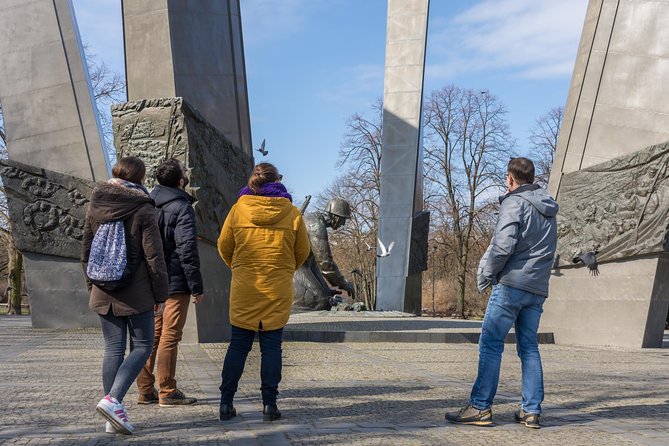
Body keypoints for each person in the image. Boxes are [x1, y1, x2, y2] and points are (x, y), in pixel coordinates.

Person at [445, 157, 558, 429]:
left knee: (491, 343)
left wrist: (488, 274)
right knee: (529, 348)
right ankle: (531, 411)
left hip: (511, 286)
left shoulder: (514, 203)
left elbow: (503, 246)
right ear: (532, 178)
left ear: (510, 178)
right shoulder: (549, 208)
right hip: (537, 289)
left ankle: (480, 407)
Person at [81, 156, 168, 435]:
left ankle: (111, 417)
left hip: (102, 289)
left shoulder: (96, 204)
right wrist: (161, 294)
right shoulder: (143, 207)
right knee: (143, 345)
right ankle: (113, 400)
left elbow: (85, 250)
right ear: (140, 178)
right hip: (136, 293)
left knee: (112, 349)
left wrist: (92, 285)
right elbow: (154, 256)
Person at [217, 163, 310, 422]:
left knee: (238, 345)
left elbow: (224, 246)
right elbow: (302, 251)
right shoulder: (291, 213)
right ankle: (270, 405)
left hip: (246, 286)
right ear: (277, 181)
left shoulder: (238, 210)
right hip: (277, 288)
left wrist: (238, 267)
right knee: (272, 347)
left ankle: (226, 403)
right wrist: (285, 268)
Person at [136, 158, 204, 406]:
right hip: (175, 282)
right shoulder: (182, 207)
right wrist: (197, 287)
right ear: (181, 180)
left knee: (152, 336)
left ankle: (145, 390)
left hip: (150, 280)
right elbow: (187, 250)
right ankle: (167, 391)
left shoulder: (147, 204)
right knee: (170, 336)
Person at [293, 198, 354, 310]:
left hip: (304, 268)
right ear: (336, 216)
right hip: (296, 271)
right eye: (343, 219)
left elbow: (313, 263)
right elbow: (325, 263)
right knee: (319, 301)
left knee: (326, 296)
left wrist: (325, 288)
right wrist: (343, 284)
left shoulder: (315, 220)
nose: (343, 224)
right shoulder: (316, 226)